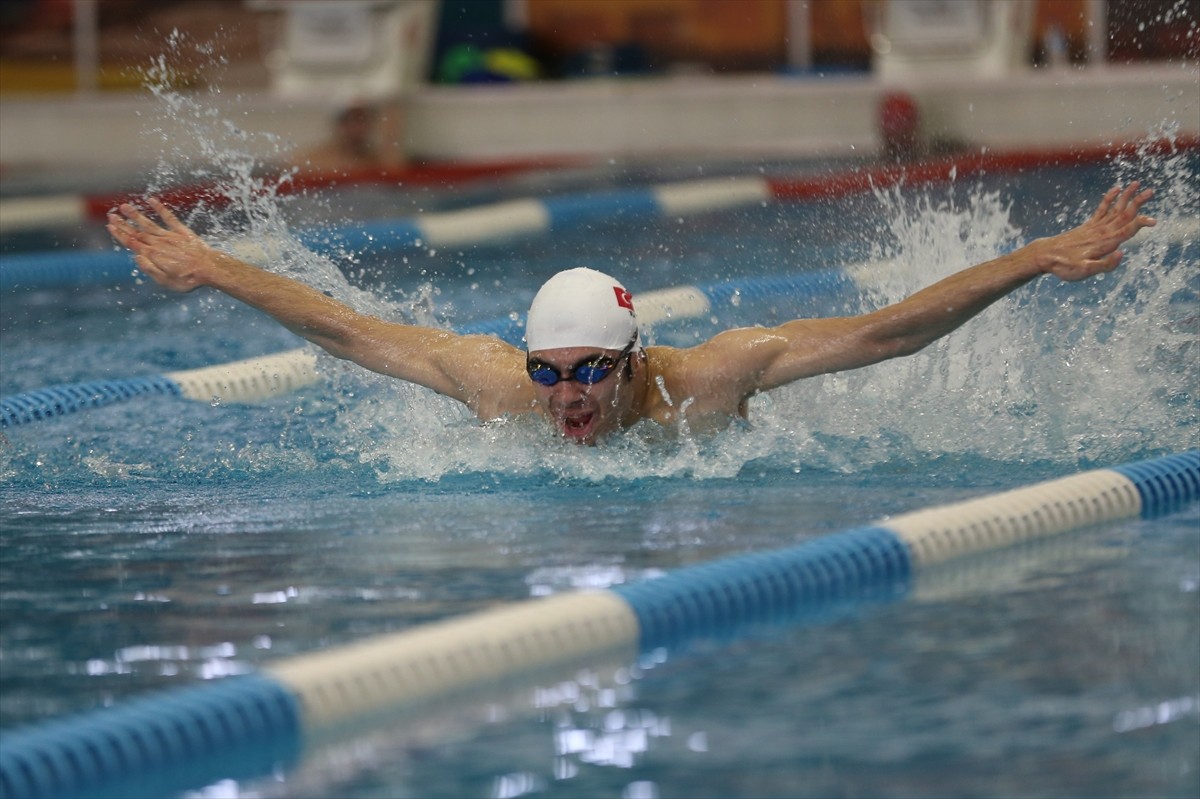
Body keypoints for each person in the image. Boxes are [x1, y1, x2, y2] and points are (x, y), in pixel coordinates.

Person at [107, 183, 1155, 446]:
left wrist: (1036, 256)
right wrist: (214, 266)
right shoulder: (500, 386)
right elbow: (345, 329)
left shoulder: (709, 377)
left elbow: (887, 332)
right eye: (549, 371)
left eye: (586, 372)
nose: (564, 397)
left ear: (634, 359)